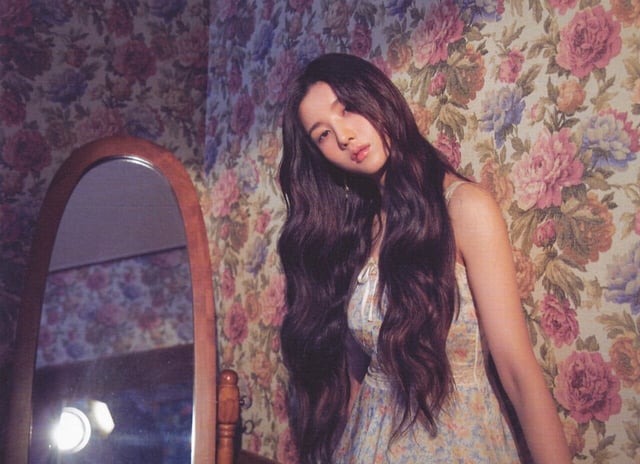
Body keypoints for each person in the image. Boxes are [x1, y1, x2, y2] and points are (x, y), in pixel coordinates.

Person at [277, 53, 571, 464]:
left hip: (456, 447)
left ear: (378, 97)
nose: (343, 136)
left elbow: (517, 370)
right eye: (323, 134)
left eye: (347, 109)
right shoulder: (358, 230)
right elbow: (360, 371)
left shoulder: (465, 208)